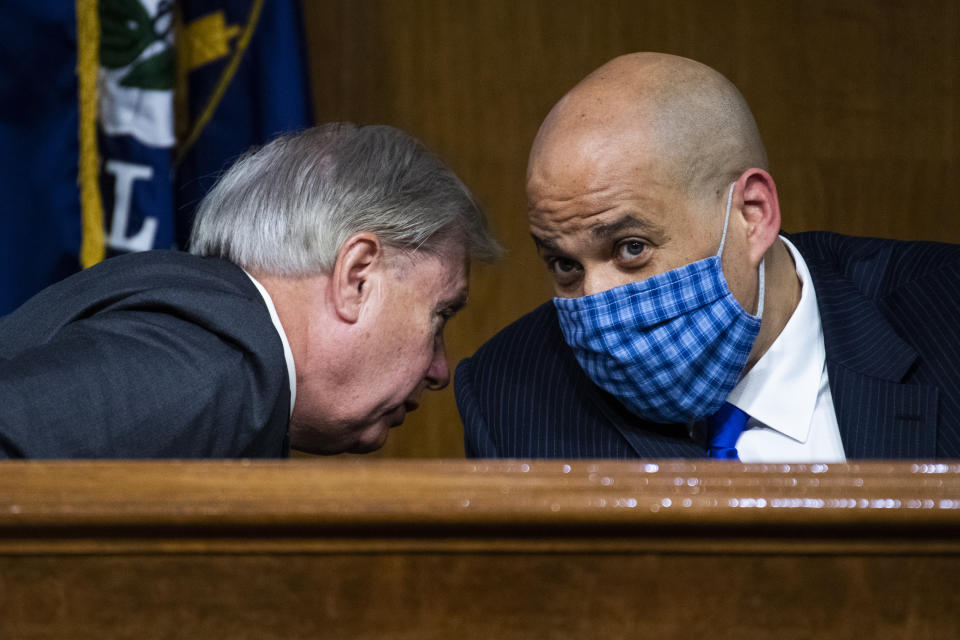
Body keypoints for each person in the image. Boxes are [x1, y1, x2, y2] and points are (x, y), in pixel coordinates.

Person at [455, 52, 960, 461]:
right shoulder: (510, 393)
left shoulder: (945, 315)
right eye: (565, 265)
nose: (596, 304)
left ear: (752, 215)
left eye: (632, 249)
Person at [0, 123, 500, 458]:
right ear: (357, 277)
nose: (440, 370)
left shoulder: (210, 338)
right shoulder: (205, 370)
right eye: (440, 316)